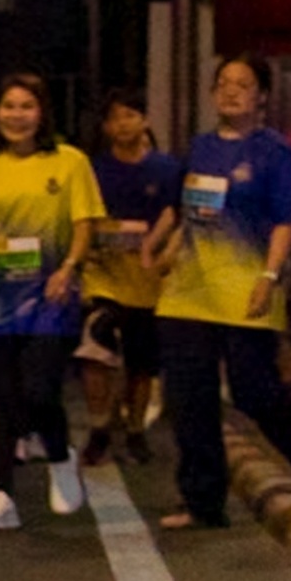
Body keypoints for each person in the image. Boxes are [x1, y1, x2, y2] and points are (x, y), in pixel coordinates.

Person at [151, 54, 291, 531]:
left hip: (245, 288)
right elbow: (189, 212)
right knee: (189, 398)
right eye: (223, 83)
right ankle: (202, 501)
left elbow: (285, 220)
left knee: (253, 388)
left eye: (242, 85)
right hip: (189, 291)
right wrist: (163, 249)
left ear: (261, 96)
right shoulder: (199, 148)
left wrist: (269, 277)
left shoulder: (273, 152)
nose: (231, 91)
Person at [0, 72, 105, 530]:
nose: (17, 116)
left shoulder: (70, 162)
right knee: (1, 399)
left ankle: (60, 455)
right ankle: (2, 497)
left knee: (38, 390)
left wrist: (68, 267)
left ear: (42, 113)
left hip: (52, 296)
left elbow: (85, 224)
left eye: (26, 106)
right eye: (8, 106)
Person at [76, 89, 180, 467]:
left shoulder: (167, 169)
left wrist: (157, 249)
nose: (123, 124)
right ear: (106, 127)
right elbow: (83, 216)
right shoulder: (93, 171)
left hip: (147, 279)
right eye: (115, 118)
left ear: (145, 121)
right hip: (102, 274)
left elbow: (174, 213)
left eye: (130, 116)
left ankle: (135, 431)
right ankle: (99, 427)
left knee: (141, 363)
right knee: (96, 347)